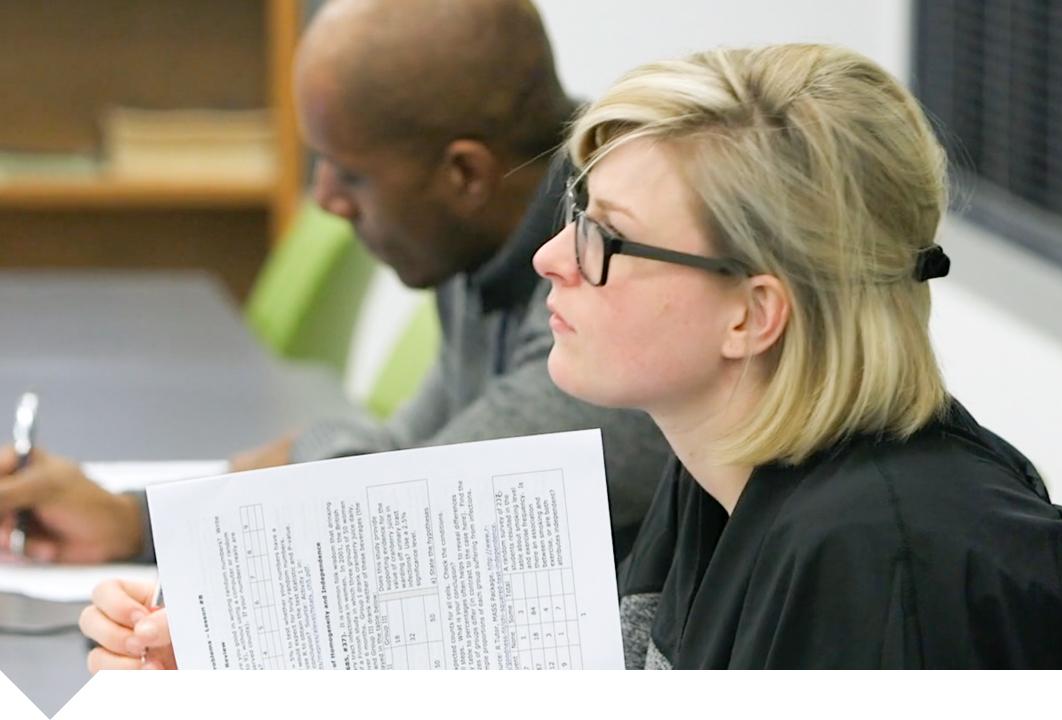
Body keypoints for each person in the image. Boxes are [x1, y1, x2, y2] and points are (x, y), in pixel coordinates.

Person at [4, 0, 671, 670]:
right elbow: (401, 458)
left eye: (349, 172)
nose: (325, 198)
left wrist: (317, 454)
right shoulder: (481, 240)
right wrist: (131, 520)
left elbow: (403, 513)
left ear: (464, 173)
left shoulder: (619, 288)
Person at [529, 44, 1062, 668]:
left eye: (605, 236)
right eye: (580, 212)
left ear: (754, 315)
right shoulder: (719, 467)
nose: (550, 257)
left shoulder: (882, 572)